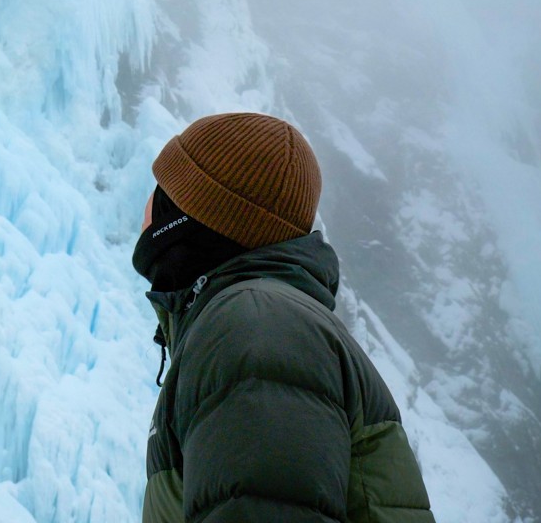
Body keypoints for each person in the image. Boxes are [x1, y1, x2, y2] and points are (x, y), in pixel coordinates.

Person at [134, 112, 436, 522]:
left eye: (159, 189)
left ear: (183, 214)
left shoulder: (256, 330)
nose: (144, 209)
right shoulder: (263, 321)